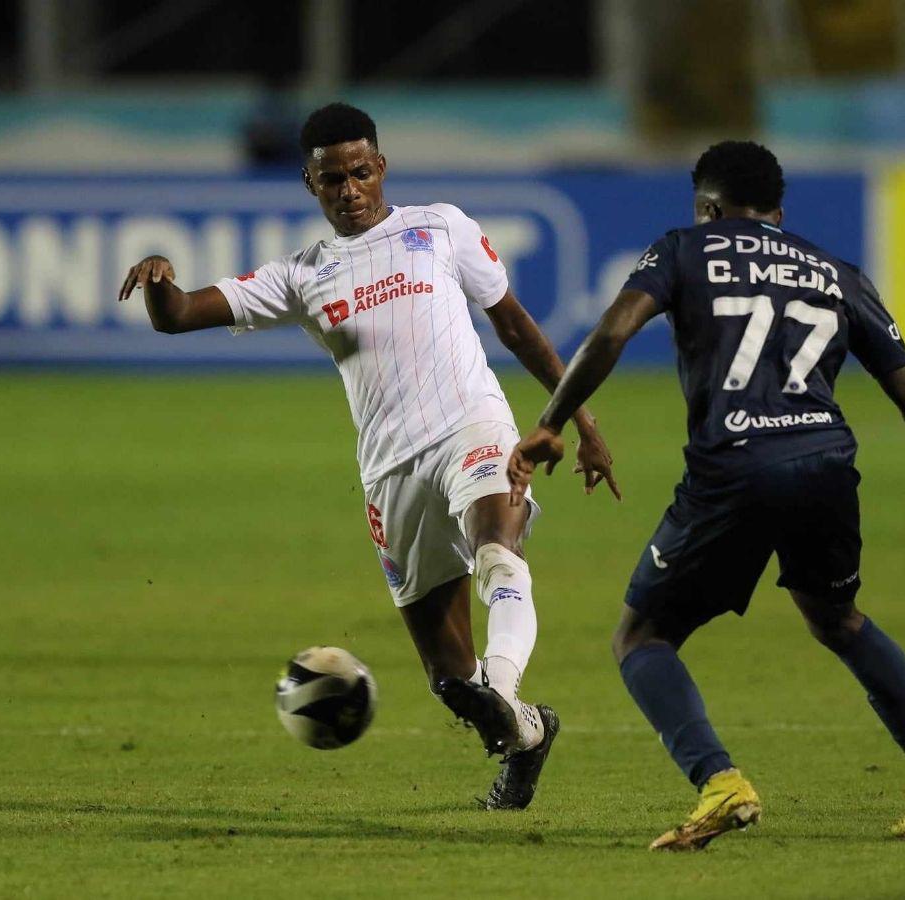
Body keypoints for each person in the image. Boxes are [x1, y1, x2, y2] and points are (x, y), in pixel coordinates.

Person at [507, 141, 905, 848]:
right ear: (779, 212)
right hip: (826, 461)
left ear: (708, 207)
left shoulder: (684, 247)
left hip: (734, 465)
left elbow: (613, 330)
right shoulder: (835, 271)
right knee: (837, 618)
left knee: (643, 636)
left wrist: (551, 424)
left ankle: (720, 782)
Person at [118, 102, 618, 809]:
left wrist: (583, 420)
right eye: (332, 181)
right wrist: (162, 281)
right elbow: (178, 317)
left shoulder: (440, 227)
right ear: (309, 186)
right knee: (450, 680)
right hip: (390, 471)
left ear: (381, 168)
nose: (350, 189)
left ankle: (504, 692)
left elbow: (515, 326)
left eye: (360, 172)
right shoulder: (301, 274)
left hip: (472, 427)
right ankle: (529, 730)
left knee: (498, 554)